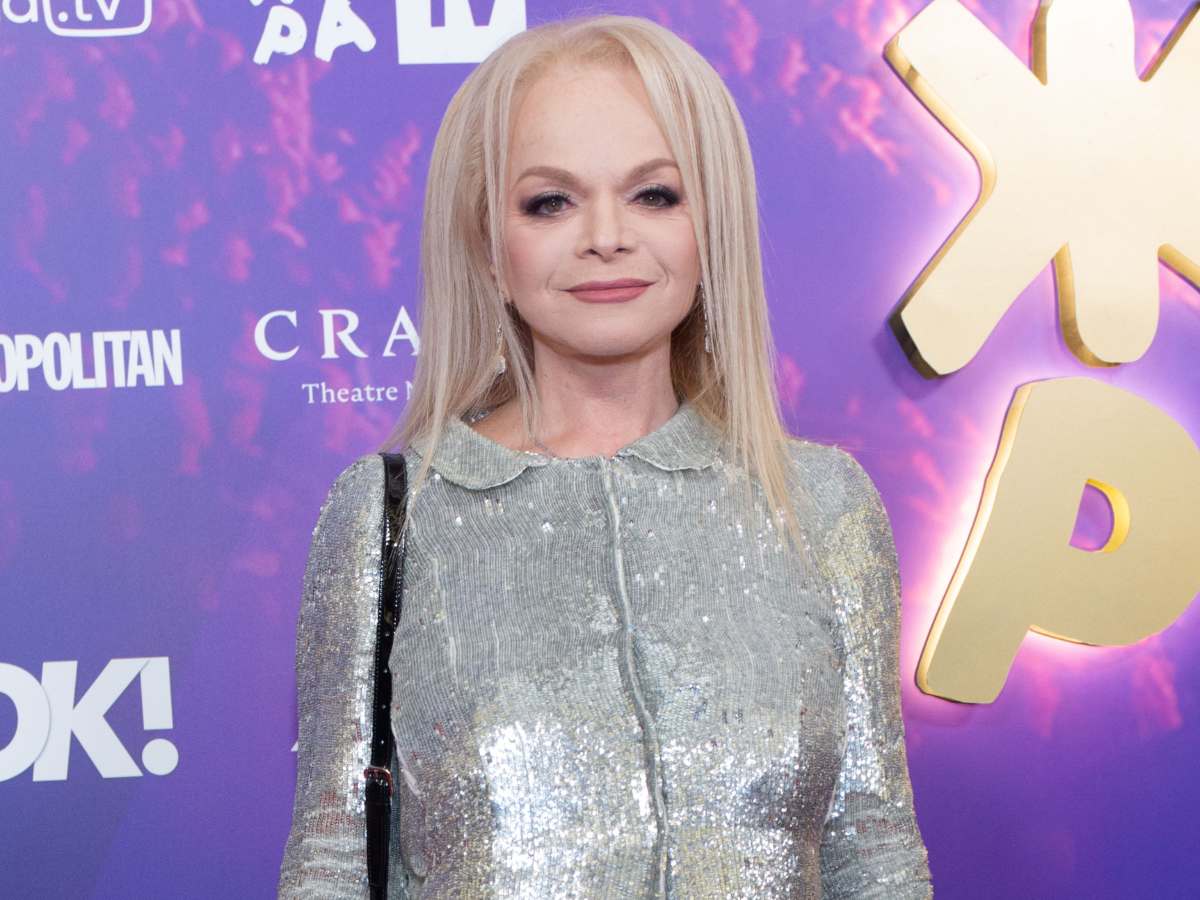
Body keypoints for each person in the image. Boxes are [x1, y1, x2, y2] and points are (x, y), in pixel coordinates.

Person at [278, 12, 932, 899]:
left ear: (711, 226)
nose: (607, 235)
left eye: (655, 194)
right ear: (488, 246)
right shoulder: (394, 514)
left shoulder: (820, 502)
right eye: (550, 202)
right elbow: (331, 861)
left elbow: (874, 849)